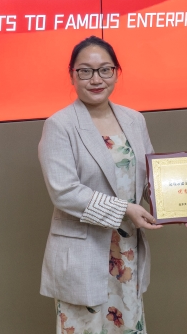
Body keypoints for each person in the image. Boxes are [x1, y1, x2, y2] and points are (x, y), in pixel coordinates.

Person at [38, 36, 161, 334]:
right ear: (72, 74)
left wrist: (177, 207)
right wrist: (126, 210)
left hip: (126, 249)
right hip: (84, 251)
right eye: (85, 71)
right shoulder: (59, 125)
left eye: (105, 70)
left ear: (116, 73)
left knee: (128, 325)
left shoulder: (134, 119)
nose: (96, 79)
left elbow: (151, 177)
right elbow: (64, 192)